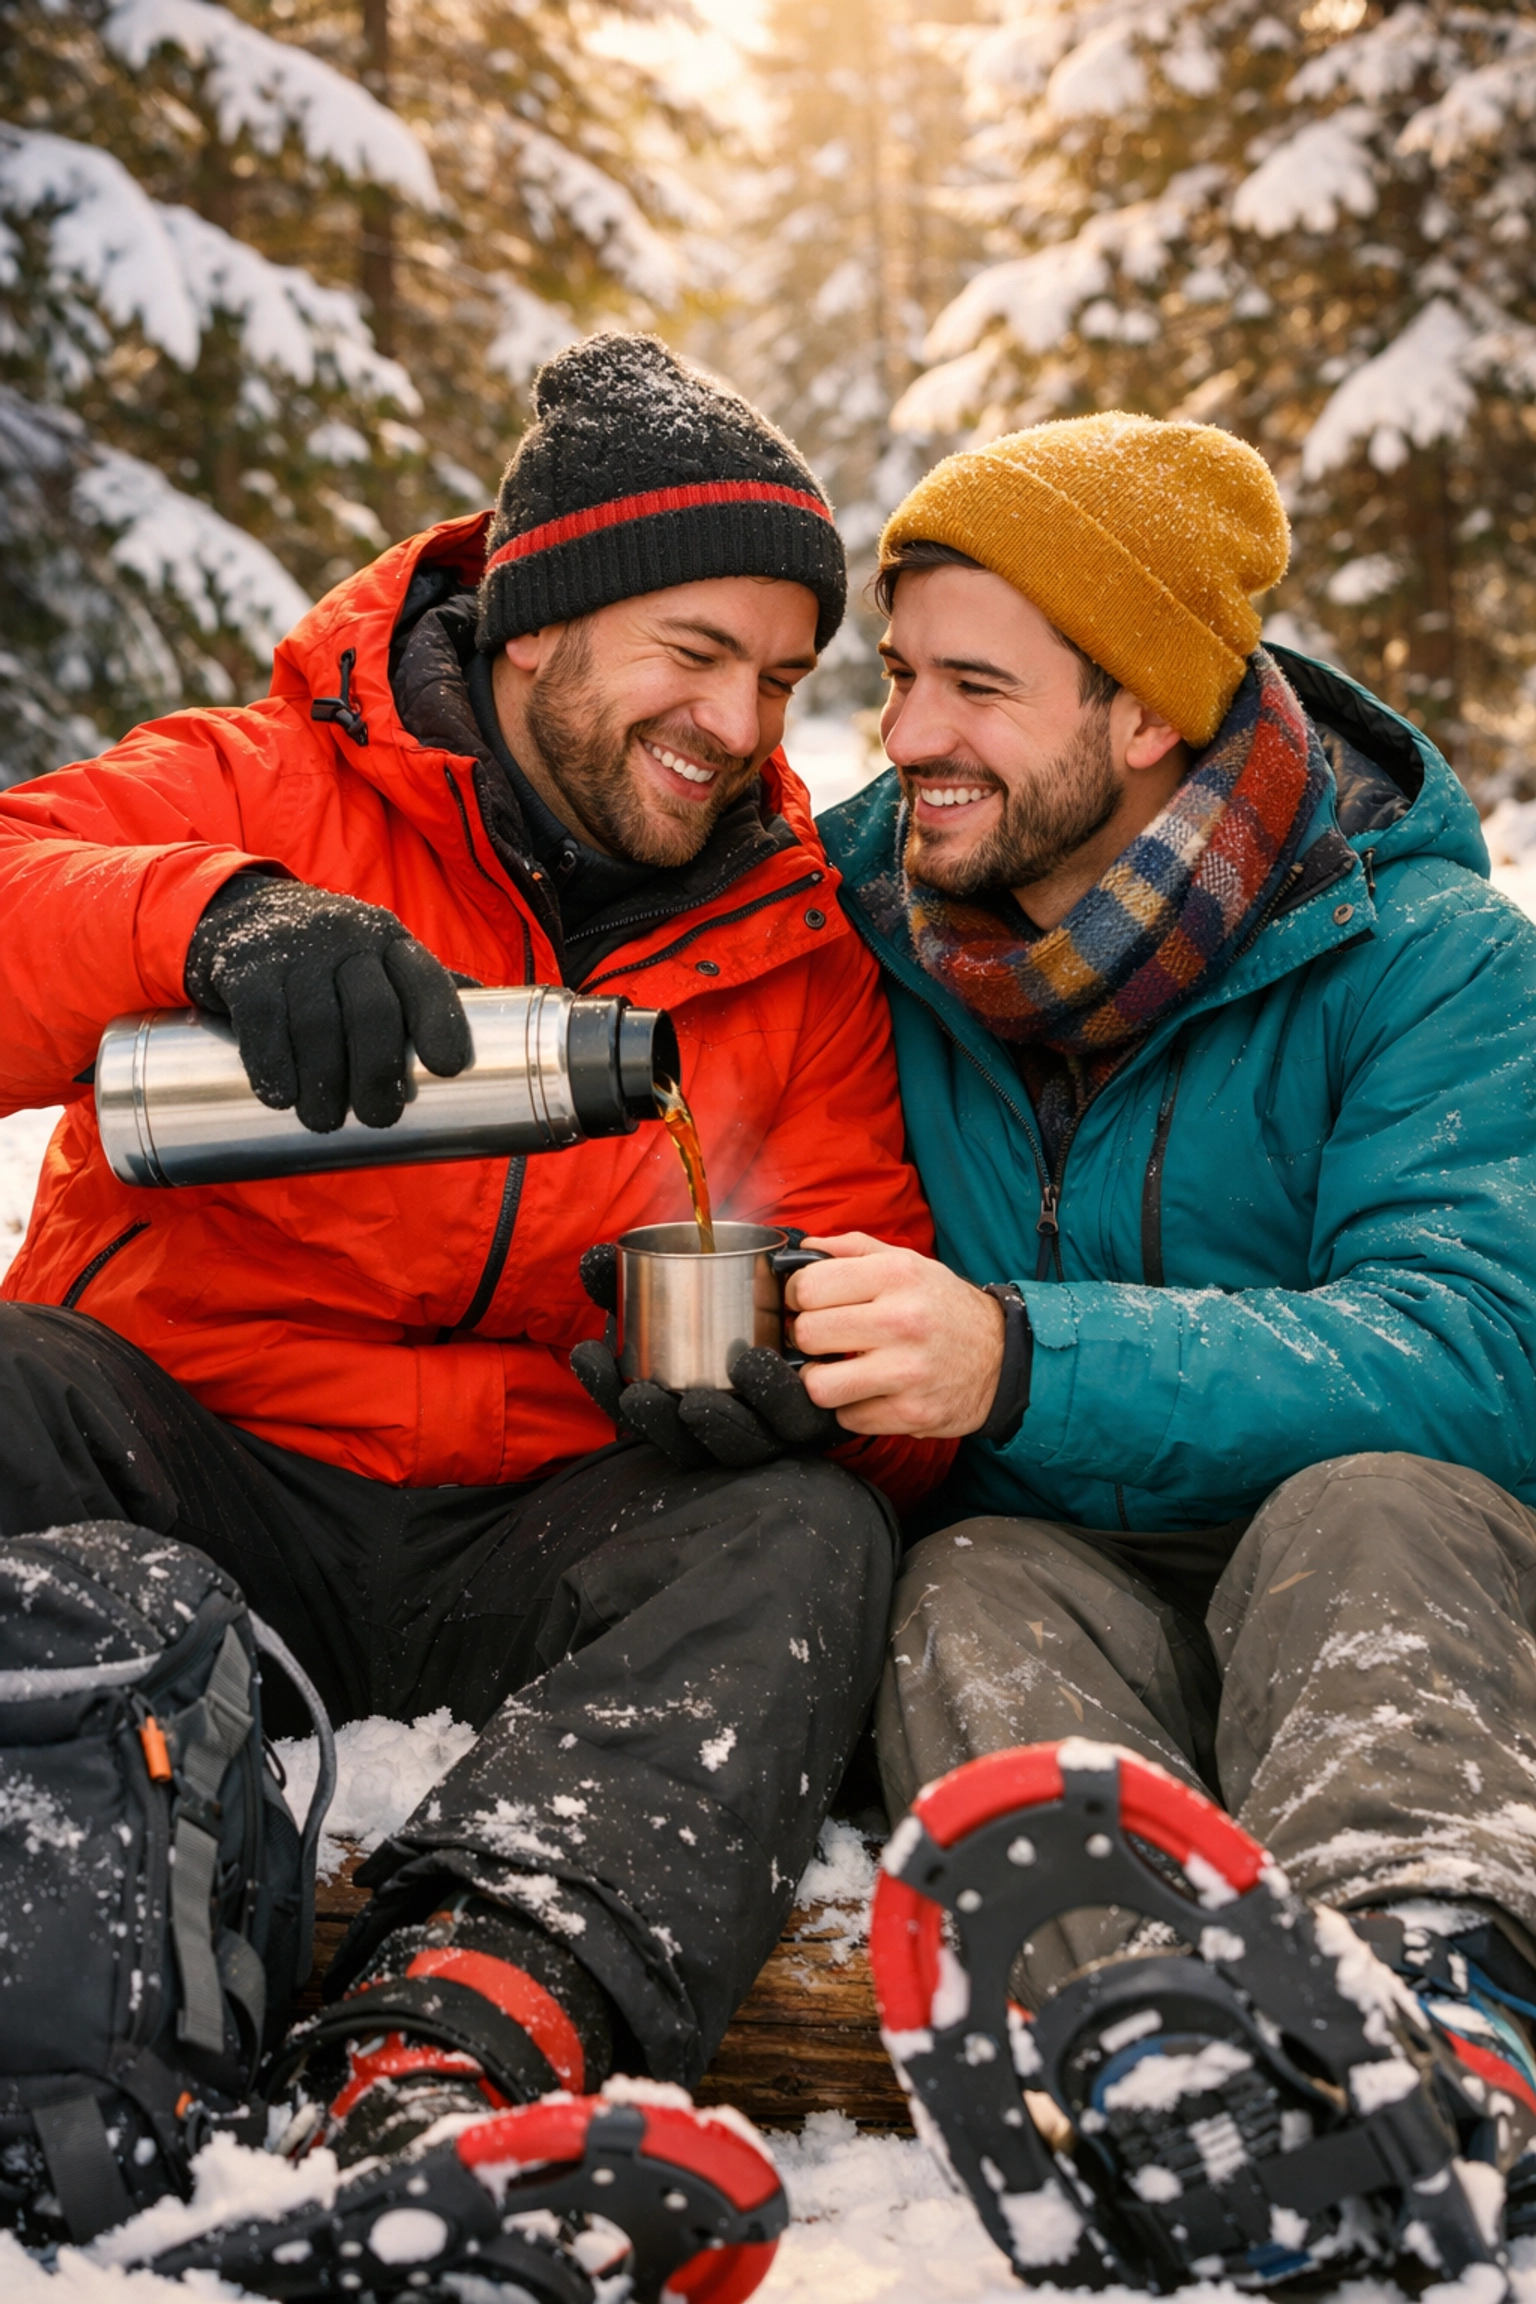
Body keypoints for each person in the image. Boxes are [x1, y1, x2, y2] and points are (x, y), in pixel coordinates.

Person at [0, 333, 950, 2278]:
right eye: (693, 651)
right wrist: (206, 917)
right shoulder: (255, 784)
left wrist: (778, 1380)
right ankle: (85, 2078)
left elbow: (870, 1288)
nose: (742, 719)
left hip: (528, 1536)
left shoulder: (784, 938)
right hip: (191, 1478)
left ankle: (454, 2044)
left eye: (781, 676)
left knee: (806, 1529)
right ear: (539, 622)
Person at [790, 412, 1536, 2287]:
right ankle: (1160, 2069)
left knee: (1361, 1505)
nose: (909, 740)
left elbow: (1479, 1351)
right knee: (958, 1583)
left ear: (1146, 717)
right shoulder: (855, 929)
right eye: (900, 679)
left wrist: (1020, 1358)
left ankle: (1430, 2026)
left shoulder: (1429, 955)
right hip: (1069, 1585)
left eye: (978, 687)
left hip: (1403, 1593)